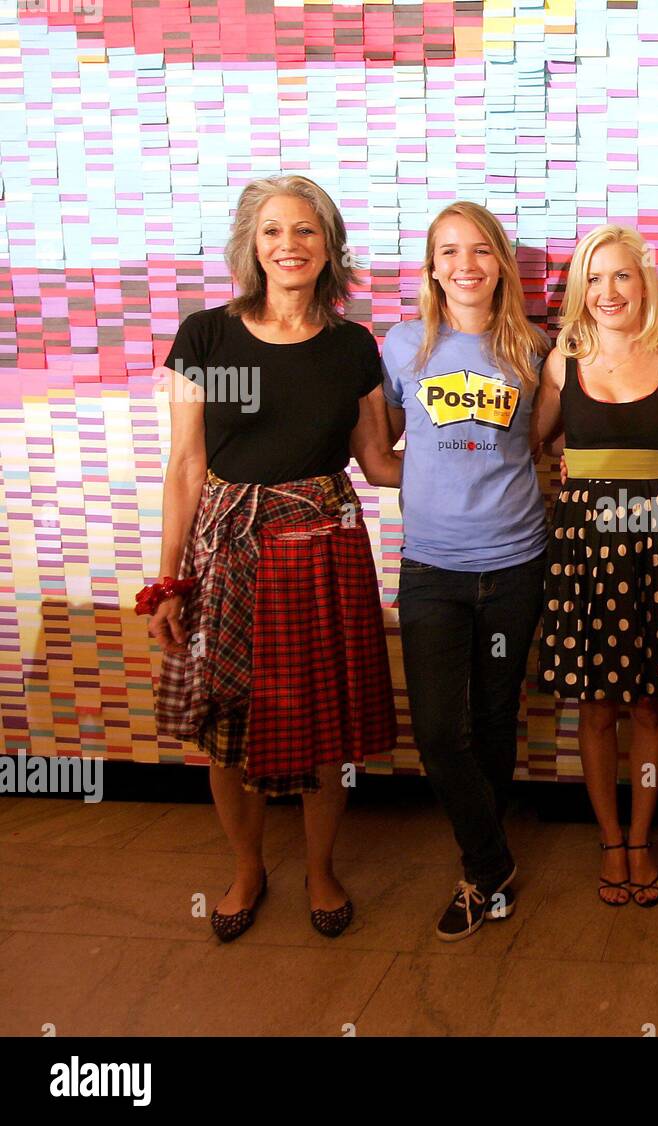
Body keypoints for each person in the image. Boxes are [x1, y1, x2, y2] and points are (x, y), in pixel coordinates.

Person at [148, 174, 400, 943]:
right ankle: (247, 867)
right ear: (250, 246)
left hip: (324, 548)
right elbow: (186, 467)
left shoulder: (352, 346)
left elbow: (378, 462)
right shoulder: (206, 337)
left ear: (329, 246)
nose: (289, 245)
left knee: (325, 725)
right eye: (272, 231)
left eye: (305, 230)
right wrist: (169, 579)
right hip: (228, 550)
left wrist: (474, 449)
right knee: (229, 726)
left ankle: (321, 868)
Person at [381, 202, 550, 943]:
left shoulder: (534, 348)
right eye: (449, 251)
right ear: (431, 266)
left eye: (480, 250)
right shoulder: (403, 346)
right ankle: (492, 860)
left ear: (501, 264)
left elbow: (542, 444)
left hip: (516, 562)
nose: (465, 265)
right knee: (437, 731)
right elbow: (384, 447)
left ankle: (479, 876)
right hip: (431, 566)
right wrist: (430, 481)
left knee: (492, 720)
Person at [531, 225, 658, 909]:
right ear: (580, 290)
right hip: (582, 549)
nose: (608, 291)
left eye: (622, 275)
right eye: (594, 279)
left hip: (656, 546)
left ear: (645, 283)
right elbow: (532, 440)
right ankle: (609, 841)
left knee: (651, 705)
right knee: (596, 706)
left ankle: (641, 838)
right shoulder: (560, 363)